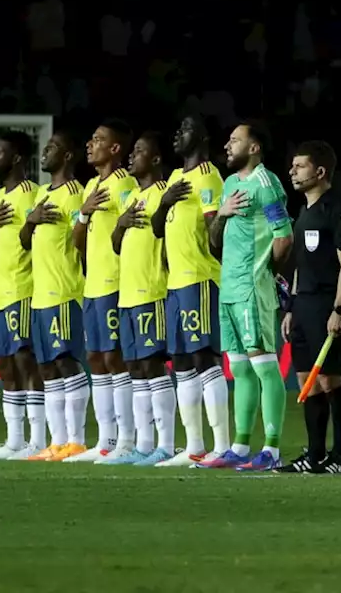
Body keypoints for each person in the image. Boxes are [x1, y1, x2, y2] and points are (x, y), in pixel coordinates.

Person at [205, 120, 293, 471]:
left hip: (252, 291)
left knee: (264, 366)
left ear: (254, 147)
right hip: (228, 289)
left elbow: (284, 236)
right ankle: (240, 447)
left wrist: (263, 273)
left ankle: (271, 449)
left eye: (235, 140)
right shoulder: (229, 185)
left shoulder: (266, 183)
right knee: (239, 370)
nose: (228, 145)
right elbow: (214, 241)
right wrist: (222, 214)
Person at [150, 115, 228, 467]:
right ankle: (194, 446)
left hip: (199, 279)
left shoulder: (209, 175)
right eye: (177, 128)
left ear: (203, 137)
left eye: (186, 129)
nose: (178, 134)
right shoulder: (176, 179)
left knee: (203, 358)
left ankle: (222, 444)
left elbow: (216, 234)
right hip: (174, 284)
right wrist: (165, 202)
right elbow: (156, 229)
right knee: (180, 362)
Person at [276, 140, 341, 473]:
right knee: (305, 379)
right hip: (304, 306)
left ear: (320, 171)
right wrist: (292, 308)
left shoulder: (339, 209)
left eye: (301, 166)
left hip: (328, 306)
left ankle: (339, 455)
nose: (293, 172)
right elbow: (299, 267)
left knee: (331, 381)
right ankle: (314, 455)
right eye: (293, 166)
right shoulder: (303, 213)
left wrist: (340, 310)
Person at [67, 120, 140, 463]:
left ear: (115, 149)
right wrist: (83, 214)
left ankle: (127, 439)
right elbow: (75, 243)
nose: (90, 144)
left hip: (115, 283)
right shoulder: (89, 188)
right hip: (92, 284)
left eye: (98, 140)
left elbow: (132, 224)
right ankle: (106, 440)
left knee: (115, 358)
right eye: (90, 138)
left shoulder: (124, 183)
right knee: (96, 359)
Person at [105, 132, 176, 466]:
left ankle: (165, 444)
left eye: (140, 152)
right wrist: (119, 224)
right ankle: (143, 445)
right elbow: (117, 244)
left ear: (157, 159)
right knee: (134, 367)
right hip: (127, 294)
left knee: (152, 365)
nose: (132, 157)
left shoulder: (165, 193)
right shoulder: (131, 196)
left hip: (153, 291)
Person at [22, 131, 91, 462]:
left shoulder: (75, 193)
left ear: (66, 156)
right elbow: (25, 239)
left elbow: (82, 240)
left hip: (64, 291)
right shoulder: (38, 194)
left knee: (66, 362)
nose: (45, 151)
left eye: (52, 147)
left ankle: (76, 440)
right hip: (39, 295)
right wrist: (30, 219)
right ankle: (57, 441)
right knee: (47, 368)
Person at [0, 132, 44, 460]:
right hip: (0, 293)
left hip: (24, 289)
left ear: (16, 158)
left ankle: (38, 439)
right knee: (4, 364)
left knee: (25, 361)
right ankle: (14, 440)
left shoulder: (31, 194)